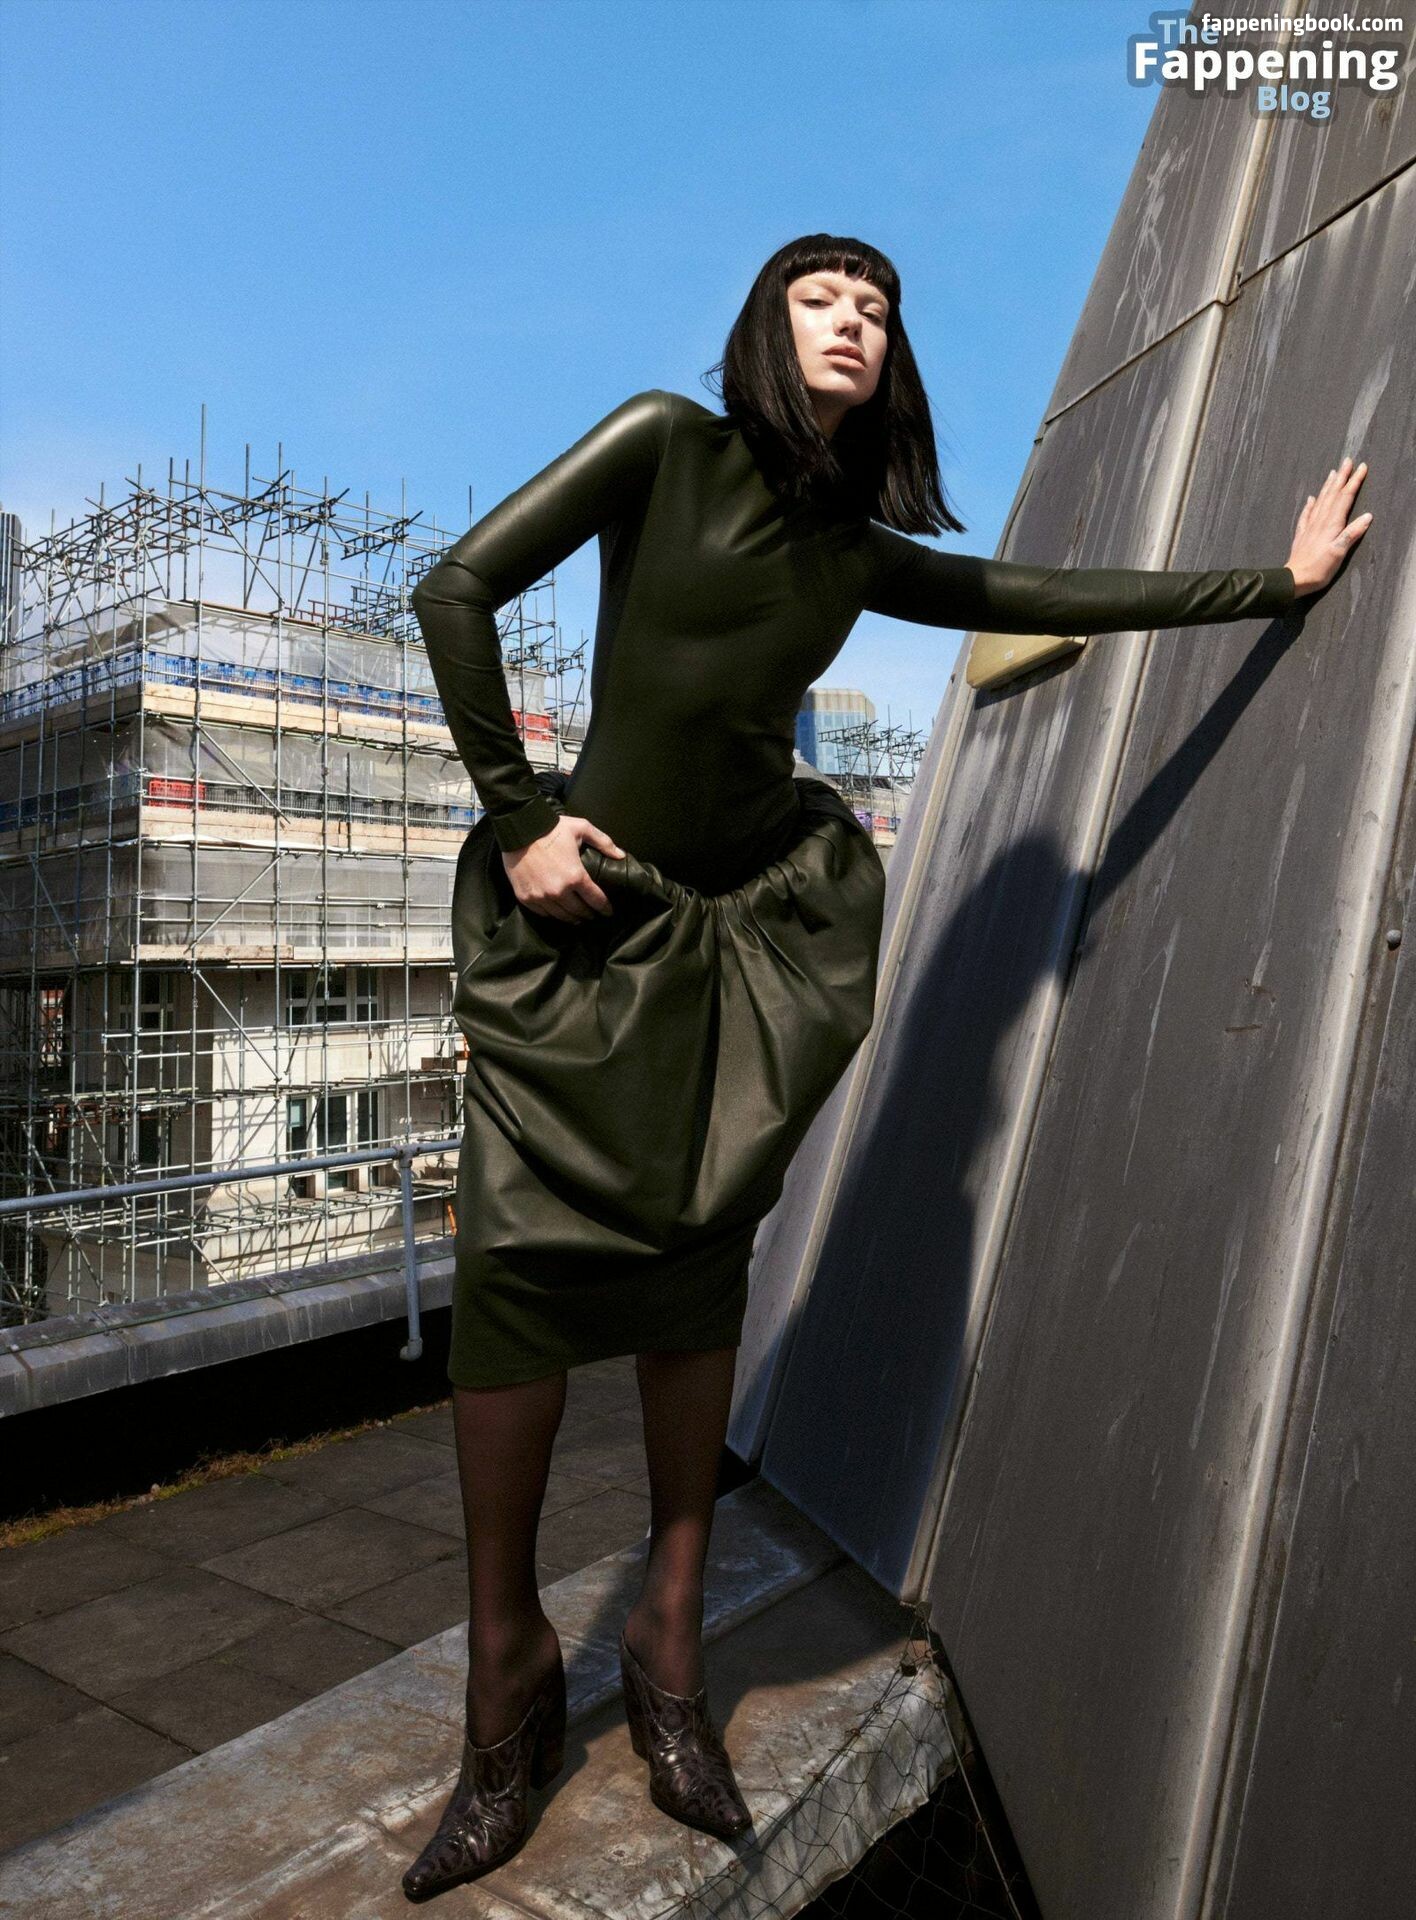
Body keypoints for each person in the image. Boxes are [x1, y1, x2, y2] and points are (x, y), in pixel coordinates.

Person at [399, 233, 1372, 1901]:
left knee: (697, 1280)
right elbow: (454, 589)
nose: (852, 320)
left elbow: (1037, 596)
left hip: (729, 951)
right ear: (764, 328)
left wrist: (1272, 585)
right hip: (586, 926)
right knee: (513, 1285)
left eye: (876, 307)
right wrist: (519, 814)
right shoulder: (664, 442)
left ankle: (670, 1650)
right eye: (819, 298)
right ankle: (508, 1684)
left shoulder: (853, 550)